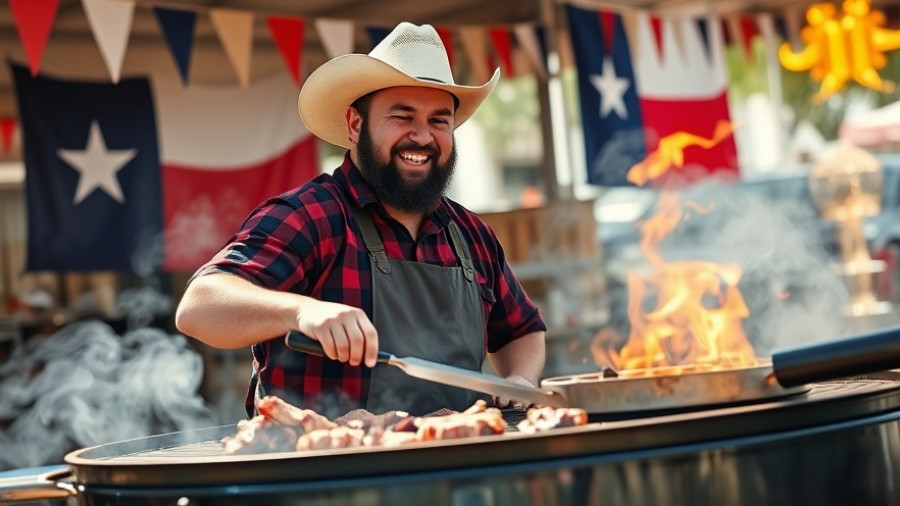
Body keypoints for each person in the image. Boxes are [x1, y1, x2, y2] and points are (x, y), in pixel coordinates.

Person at [175, 22, 547, 418]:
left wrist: (521, 380)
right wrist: (302, 311)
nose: (422, 136)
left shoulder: (472, 235)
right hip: (326, 474)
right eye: (402, 117)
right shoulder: (310, 217)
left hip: (459, 469)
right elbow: (199, 306)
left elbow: (521, 330)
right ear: (355, 125)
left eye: (439, 120)